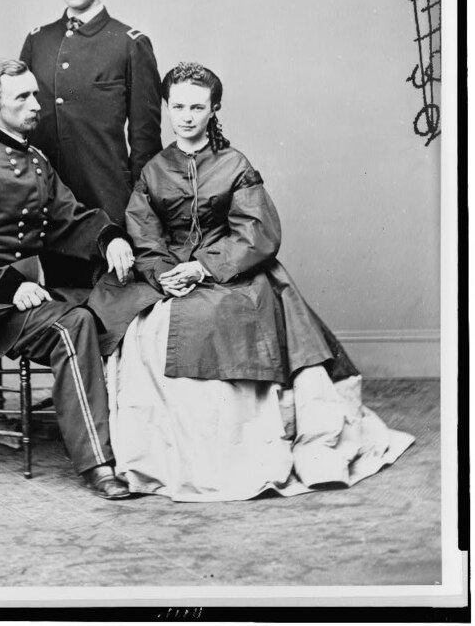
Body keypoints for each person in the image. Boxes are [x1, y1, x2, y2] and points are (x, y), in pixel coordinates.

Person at [89, 62, 415, 503]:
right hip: (167, 273)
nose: (186, 116)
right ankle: (167, 456)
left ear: (213, 109)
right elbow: (144, 230)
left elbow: (256, 231)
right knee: (141, 325)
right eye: (179, 106)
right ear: (167, 108)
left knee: (223, 314)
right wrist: (165, 272)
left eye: (197, 107)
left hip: (231, 269)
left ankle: (234, 453)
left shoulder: (234, 164)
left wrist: (203, 268)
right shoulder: (153, 169)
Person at [0, 58, 136, 500]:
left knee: (116, 301)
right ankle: (98, 462)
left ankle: (135, 442)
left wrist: (109, 237)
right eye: (21, 97)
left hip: (29, 298)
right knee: (72, 323)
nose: (35, 105)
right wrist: (9, 286)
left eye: (35, 94)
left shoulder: (35, 159)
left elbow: (69, 219)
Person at [19, 0, 162, 286]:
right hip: (50, 205)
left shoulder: (130, 44)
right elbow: (19, 125)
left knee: (114, 308)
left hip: (108, 200)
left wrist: (137, 211)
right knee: (62, 305)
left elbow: (145, 139)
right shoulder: (39, 41)